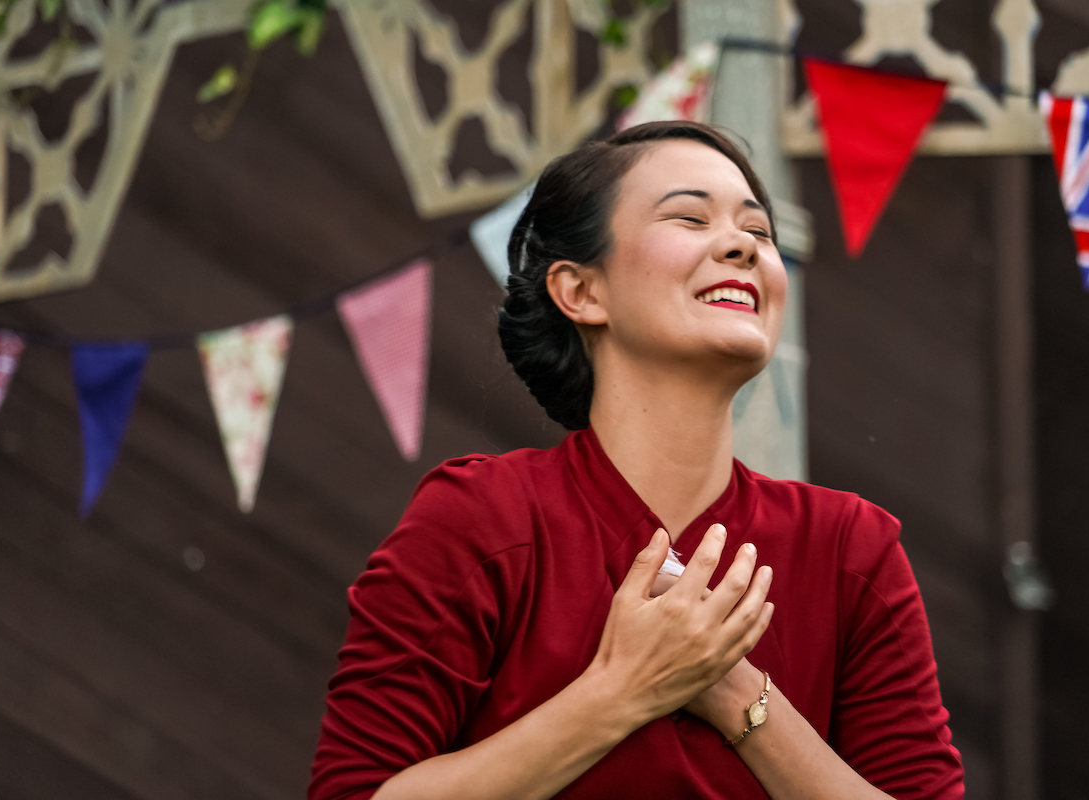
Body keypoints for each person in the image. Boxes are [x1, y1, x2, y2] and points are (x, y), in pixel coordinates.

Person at [309, 121, 964, 799]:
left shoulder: (850, 550)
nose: (743, 246)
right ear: (580, 292)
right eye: (689, 217)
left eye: (760, 233)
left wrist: (736, 693)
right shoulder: (480, 519)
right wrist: (622, 690)